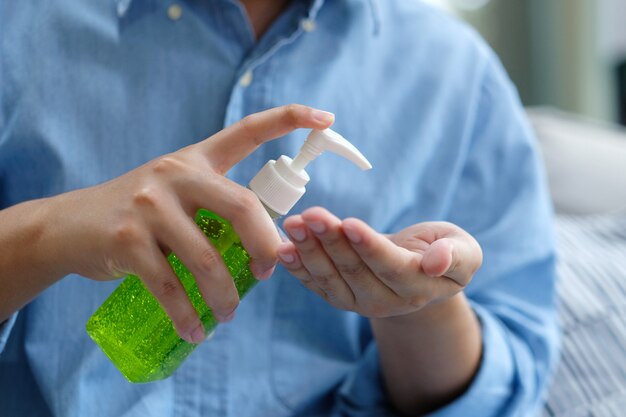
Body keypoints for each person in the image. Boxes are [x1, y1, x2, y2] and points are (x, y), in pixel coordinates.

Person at [0, 0, 559, 416]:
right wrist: (46, 232)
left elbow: (505, 393)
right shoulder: (22, 25)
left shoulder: (456, 76)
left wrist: (420, 306)